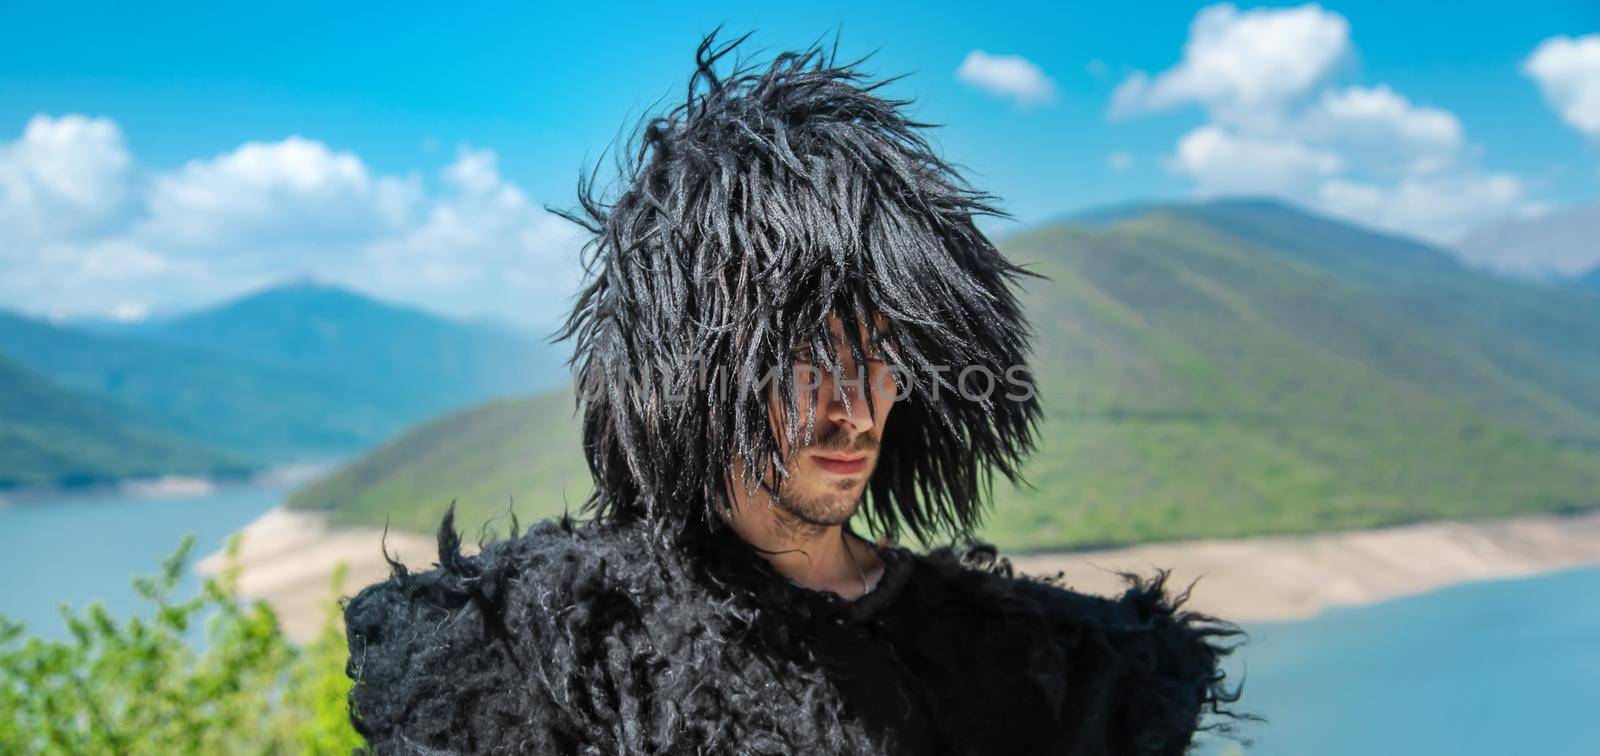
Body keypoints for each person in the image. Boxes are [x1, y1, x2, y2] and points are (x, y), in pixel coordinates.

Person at [343, 32, 1243, 755]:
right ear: (698, 374)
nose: (856, 408)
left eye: (883, 357)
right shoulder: (531, 656)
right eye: (808, 361)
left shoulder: (1049, 672)